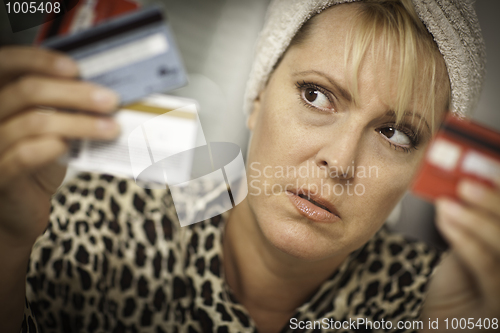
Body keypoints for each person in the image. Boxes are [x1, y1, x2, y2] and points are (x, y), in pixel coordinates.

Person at [0, 0, 498, 332]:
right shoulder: (103, 219)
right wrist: (6, 242)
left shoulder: (443, 304)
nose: (340, 162)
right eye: (317, 95)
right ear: (257, 97)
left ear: (421, 168)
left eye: (394, 134)